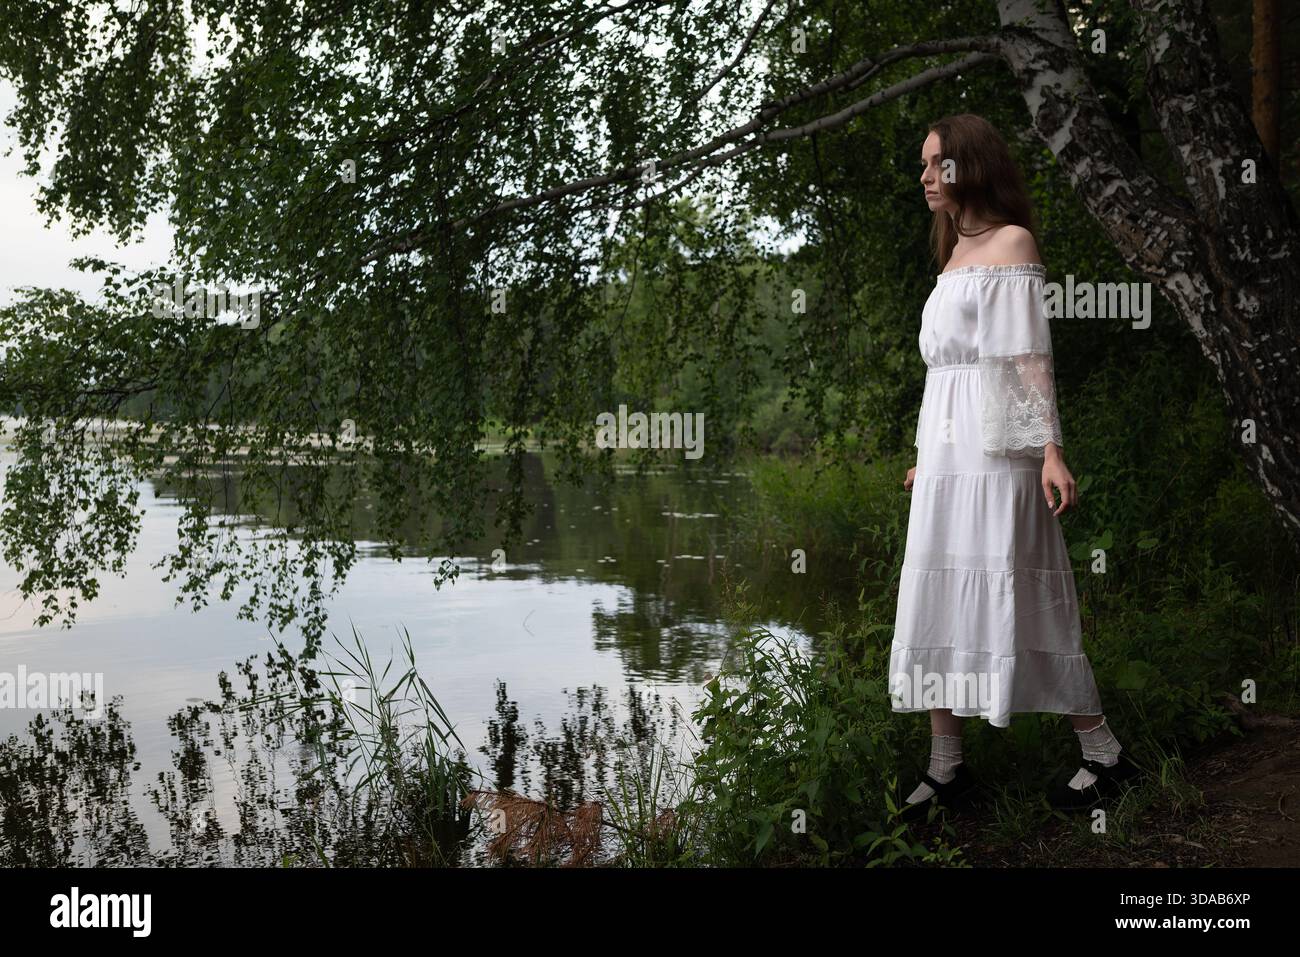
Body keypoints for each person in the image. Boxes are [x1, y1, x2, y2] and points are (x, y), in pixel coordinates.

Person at [890, 114, 1139, 822]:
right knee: (938, 593)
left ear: (971, 165)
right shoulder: (952, 254)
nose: (926, 176)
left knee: (1024, 591)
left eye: (937, 163)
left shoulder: (1010, 242)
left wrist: (1051, 451)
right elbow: (945, 372)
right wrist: (923, 457)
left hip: (1001, 453)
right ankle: (947, 768)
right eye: (923, 165)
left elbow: (1028, 356)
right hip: (948, 456)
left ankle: (1105, 753)